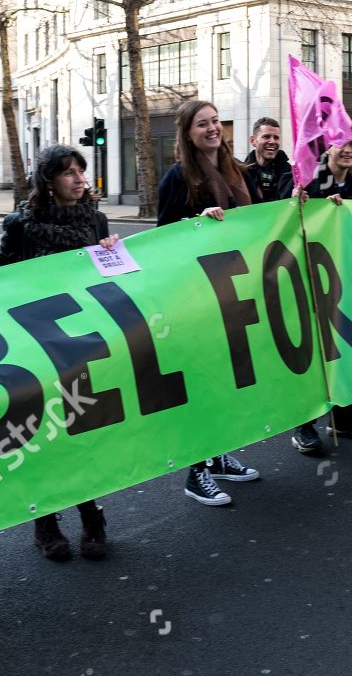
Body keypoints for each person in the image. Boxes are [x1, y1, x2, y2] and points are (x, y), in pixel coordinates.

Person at [0, 144, 120, 561]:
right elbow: (1, 283)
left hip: (81, 342)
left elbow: (112, 278)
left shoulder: (96, 220)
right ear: (49, 181)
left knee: (84, 431)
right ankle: (45, 520)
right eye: (69, 172)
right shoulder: (21, 225)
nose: (79, 178)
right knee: (44, 435)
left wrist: (112, 253)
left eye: (81, 170)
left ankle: (92, 515)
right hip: (36, 344)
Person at [156, 99, 262, 505]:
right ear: (188, 133)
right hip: (196, 297)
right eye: (203, 124)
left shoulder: (238, 173)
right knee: (202, 385)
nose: (213, 128)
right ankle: (195, 471)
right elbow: (163, 238)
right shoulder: (177, 177)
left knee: (224, 383)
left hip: (234, 291)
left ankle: (218, 456)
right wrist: (198, 221)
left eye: (216, 121)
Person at [289, 134, 352, 455]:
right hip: (309, 278)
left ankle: (344, 417)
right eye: (343, 144)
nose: (349, 150)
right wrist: (297, 202)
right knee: (314, 355)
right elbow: (286, 221)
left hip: (344, 278)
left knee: (344, 351)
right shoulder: (309, 180)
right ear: (329, 148)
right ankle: (304, 426)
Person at [241, 117, 294, 201]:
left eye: (276, 138)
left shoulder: (291, 174)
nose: (272, 141)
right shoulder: (241, 174)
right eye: (266, 137)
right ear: (253, 141)